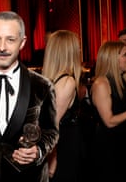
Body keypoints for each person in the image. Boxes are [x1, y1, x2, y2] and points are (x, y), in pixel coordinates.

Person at [0, 11, 59, 182]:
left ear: (22, 42)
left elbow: (51, 132)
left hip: (30, 176)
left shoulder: (43, 86)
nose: (2, 47)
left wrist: (38, 150)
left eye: (10, 39)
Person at [41, 30, 85, 182]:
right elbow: (51, 124)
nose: (79, 50)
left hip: (63, 146)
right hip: (64, 147)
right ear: (69, 51)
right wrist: (52, 158)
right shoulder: (67, 81)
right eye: (77, 47)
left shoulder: (52, 80)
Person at [90, 41, 126, 182]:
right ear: (111, 58)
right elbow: (109, 121)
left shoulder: (124, 80)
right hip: (111, 147)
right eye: (125, 55)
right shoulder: (101, 83)